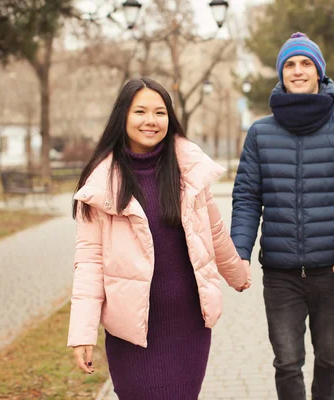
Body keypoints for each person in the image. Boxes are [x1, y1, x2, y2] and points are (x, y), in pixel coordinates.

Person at [67, 77, 251, 400]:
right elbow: (89, 263)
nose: (151, 121)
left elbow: (214, 231)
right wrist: (82, 333)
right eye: (140, 112)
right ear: (122, 117)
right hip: (131, 331)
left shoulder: (189, 170)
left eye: (160, 112)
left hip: (187, 324)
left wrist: (237, 273)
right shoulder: (101, 185)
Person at [231, 32, 334, 400]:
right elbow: (247, 197)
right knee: (286, 362)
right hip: (281, 275)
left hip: (331, 272)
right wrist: (239, 253)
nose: (297, 71)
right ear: (282, 74)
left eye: (305, 63)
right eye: (290, 65)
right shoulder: (260, 133)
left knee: (328, 358)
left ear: (318, 72)